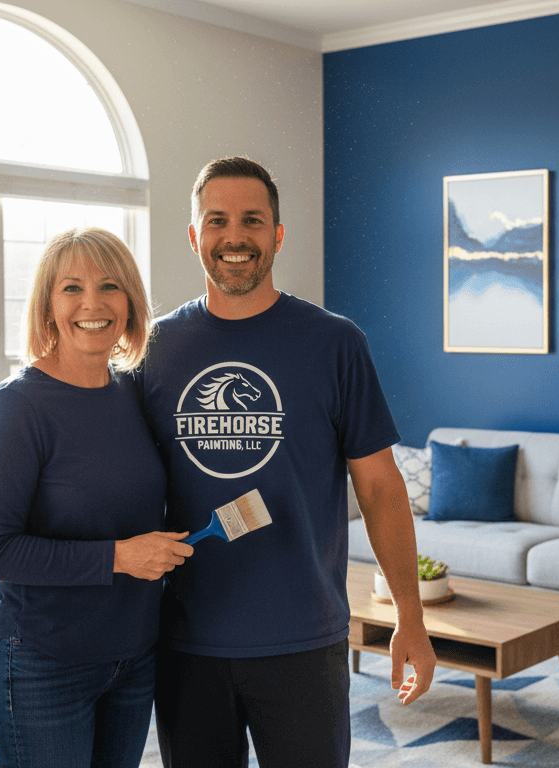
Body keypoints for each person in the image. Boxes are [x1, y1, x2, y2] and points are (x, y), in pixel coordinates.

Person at [136, 157, 437, 768]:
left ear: (277, 233)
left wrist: (410, 615)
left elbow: (380, 487)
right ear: (195, 236)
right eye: (217, 220)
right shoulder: (154, 349)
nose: (235, 236)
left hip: (305, 642)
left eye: (253, 219)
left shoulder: (334, 343)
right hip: (187, 644)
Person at [0, 228, 194, 768]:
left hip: (134, 658)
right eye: (72, 288)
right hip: (44, 663)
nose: (92, 304)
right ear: (48, 305)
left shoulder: (135, 395)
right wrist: (119, 556)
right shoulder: (18, 408)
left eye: (110, 286)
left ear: (131, 303)